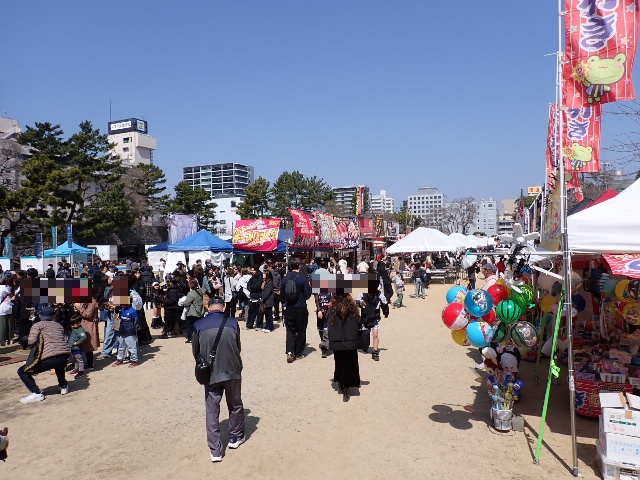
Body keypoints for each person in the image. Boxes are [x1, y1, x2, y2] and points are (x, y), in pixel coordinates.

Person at [192, 297, 245, 463]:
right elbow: (238, 347)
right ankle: (235, 437)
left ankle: (215, 450)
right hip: (232, 370)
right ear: (223, 308)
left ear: (209, 308)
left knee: (212, 409)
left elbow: (196, 351)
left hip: (210, 372)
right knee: (235, 404)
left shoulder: (198, 325)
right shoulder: (233, 322)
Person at [17, 305, 70, 403]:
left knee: (22, 371)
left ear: (40, 316)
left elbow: (31, 341)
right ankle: (63, 386)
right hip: (64, 357)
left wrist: (27, 340)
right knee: (59, 365)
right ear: (53, 315)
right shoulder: (59, 326)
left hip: (49, 358)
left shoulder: (38, 325)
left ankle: (36, 393)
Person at [327, 292, 361, 402]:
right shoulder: (353, 308)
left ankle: (342, 384)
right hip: (350, 340)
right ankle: (347, 386)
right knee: (350, 363)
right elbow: (359, 322)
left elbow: (329, 325)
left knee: (339, 362)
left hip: (337, 341)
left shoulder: (332, 309)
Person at [280, 258, 312, 363]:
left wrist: (284, 302)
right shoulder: (303, 278)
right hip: (301, 307)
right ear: (299, 266)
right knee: (301, 330)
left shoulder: (285, 278)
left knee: (290, 330)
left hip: (289, 307)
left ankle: (290, 351)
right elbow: (307, 294)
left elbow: (282, 294)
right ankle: (298, 352)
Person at [73, 294, 100, 371]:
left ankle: (89, 364)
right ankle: (85, 362)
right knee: (84, 345)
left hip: (89, 326)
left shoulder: (92, 301)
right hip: (83, 325)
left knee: (88, 345)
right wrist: (76, 309)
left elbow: (88, 315)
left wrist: (79, 307)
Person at [357, 284, 382, 361]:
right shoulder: (362, 294)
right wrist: (359, 303)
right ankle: (365, 347)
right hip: (365, 318)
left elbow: (384, 303)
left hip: (375, 318)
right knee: (365, 336)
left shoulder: (380, 294)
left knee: (375, 334)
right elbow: (356, 302)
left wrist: (386, 311)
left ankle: (375, 353)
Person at [111, 302, 140, 368]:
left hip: (130, 332)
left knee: (132, 347)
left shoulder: (133, 311)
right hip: (122, 331)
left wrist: (133, 330)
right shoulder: (122, 310)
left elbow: (136, 322)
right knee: (121, 346)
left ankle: (134, 361)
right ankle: (120, 359)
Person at [184, 278, 205, 344]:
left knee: (190, 326)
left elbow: (186, 303)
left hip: (193, 312)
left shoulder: (191, 293)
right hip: (200, 311)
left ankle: (190, 338)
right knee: (199, 325)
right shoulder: (200, 291)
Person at [0, 278, 13, 346]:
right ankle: (9, 339)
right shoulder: (10, 288)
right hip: (9, 307)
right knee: (9, 324)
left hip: (2, 308)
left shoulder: (1, 288)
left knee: (2, 325)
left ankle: (2, 340)